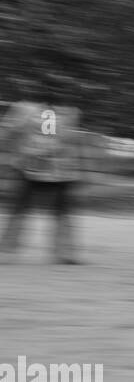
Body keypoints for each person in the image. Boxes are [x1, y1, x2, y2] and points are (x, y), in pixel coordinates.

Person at [0, 98, 88, 264]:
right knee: (61, 212)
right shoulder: (70, 111)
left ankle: (6, 251)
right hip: (60, 170)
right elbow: (73, 139)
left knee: (19, 210)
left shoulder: (25, 108)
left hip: (29, 166)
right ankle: (65, 253)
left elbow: (8, 132)